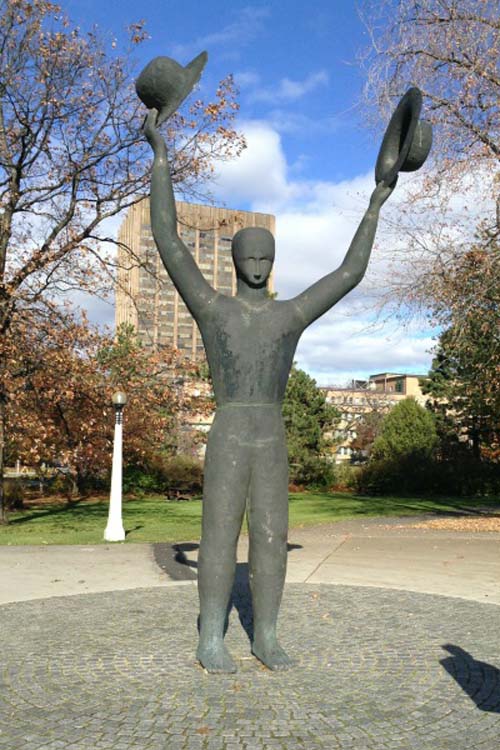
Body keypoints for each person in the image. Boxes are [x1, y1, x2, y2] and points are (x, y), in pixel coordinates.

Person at [144, 109, 394, 672]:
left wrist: (375, 203)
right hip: (232, 429)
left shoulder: (289, 316)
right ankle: (211, 637)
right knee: (217, 535)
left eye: (265, 258)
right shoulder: (213, 309)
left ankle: (267, 635)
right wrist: (161, 158)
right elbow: (167, 239)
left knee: (272, 537)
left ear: (273, 262)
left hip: (270, 433)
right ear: (235, 261)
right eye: (248, 257)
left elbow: (348, 273)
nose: (257, 265)